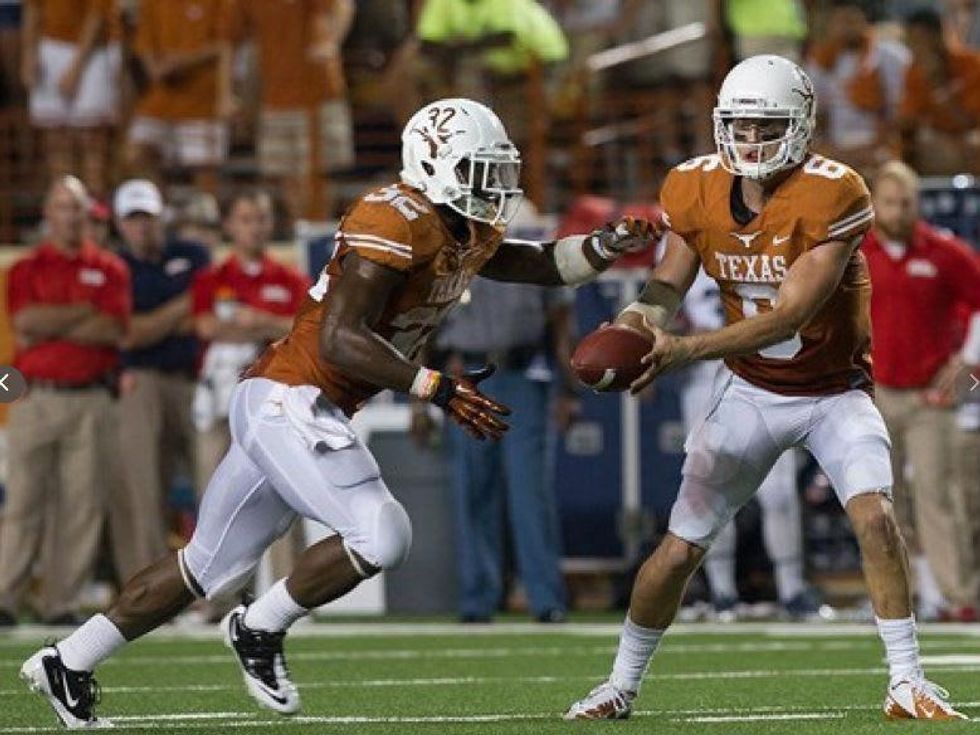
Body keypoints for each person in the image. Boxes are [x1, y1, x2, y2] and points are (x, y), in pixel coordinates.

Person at [19, 98, 656, 727]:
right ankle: (260, 627)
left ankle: (69, 661)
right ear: (433, 165)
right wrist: (435, 386)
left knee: (205, 567)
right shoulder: (396, 217)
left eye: (498, 171)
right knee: (383, 534)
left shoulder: (465, 226)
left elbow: (537, 263)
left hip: (299, 403)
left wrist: (607, 244)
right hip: (290, 396)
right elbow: (339, 338)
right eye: (479, 171)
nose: (495, 187)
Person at [565, 56, 966, 721]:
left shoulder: (835, 193)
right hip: (750, 391)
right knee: (679, 548)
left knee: (876, 516)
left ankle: (905, 679)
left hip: (833, 391)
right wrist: (638, 321)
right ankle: (619, 683)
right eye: (740, 126)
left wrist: (683, 351)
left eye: (767, 126)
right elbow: (666, 285)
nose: (751, 141)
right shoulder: (692, 187)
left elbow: (789, 315)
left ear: (801, 124)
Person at [0, 176, 130, 627]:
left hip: (92, 397)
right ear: (48, 215)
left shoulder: (111, 268)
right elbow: (25, 323)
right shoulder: (24, 269)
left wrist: (52, 321)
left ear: (87, 214)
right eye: (61, 207)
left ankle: (61, 602)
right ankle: (5, 598)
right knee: (22, 502)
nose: (70, 216)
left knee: (82, 505)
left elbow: (112, 330)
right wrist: (84, 314)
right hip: (32, 394)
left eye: (77, 208)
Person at [861, 160, 980, 621]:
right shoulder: (856, 252)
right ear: (874, 203)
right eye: (889, 201)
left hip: (931, 395)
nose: (897, 210)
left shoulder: (944, 251)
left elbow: (978, 304)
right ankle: (895, 601)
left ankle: (959, 597)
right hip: (873, 394)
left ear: (917, 203)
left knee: (938, 495)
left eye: (905, 201)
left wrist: (966, 363)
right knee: (877, 502)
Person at [430, 278, 578, 623]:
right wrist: (420, 404)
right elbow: (426, 329)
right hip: (465, 375)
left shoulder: (532, 257)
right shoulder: (451, 261)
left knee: (530, 495)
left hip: (523, 373)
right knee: (472, 492)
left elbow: (561, 324)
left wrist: (569, 390)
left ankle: (545, 598)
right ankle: (477, 600)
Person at [678, 269, 823, 621]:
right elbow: (668, 304)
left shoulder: (768, 229)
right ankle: (722, 592)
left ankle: (791, 589)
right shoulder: (682, 235)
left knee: (779, 491)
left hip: (764, 369)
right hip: (705, 375)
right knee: (711, 489)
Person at [111, 179, 210, 583]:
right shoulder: (115, 268)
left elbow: (203, 318)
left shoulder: (193, 253)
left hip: (196, 380)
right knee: (144, 488)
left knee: (214, 483)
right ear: (120, 224)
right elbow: (130, 333)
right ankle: (149, 588)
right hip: (143, 382)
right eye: (133, 219)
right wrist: (182, 307)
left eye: (148, 218)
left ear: (161, 219)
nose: (142, 227)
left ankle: (213, 585)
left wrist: (157, 321)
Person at [226, 0, 356, 222]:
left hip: (319, 91)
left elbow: (343, 5)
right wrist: (233, 92)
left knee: (321, 172)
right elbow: (233, 36)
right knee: (286, 174)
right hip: (274, 93)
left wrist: (332, 41)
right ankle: (303, 230)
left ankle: (319, 230)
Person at [126, 0, 233, 192]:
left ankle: (206, 218)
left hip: (202, 102)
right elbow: (143, 44)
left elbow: (226, 43)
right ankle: (156, 209)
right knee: (135, 153)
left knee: (205, 173)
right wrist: (155, 68)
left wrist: (183, 62)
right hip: (160, 99)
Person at [21, 0, 122, 196]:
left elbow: (99, 13)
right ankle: (64, 208)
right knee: (56, 141)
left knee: (92, 140)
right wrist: (28, 52)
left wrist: (76, 67)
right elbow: (33, 7)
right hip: (50, 47)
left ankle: (96, 212)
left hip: (94, 52)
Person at [805, 0, 909, 176]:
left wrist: (876, 145)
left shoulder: (890, 56)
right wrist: (831, 148)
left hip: (878, 144)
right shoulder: (819, 62)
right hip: (836, 147)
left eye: (851, 21)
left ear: (865, 22)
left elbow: (901, 113)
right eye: (840, 21)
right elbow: (816, 118)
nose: (846, 28)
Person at [899, 7, 980, 174]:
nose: (917, 47)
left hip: (968, 137)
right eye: (912, 41)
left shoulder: (970, 64)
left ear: (938, 36)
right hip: (935, 140)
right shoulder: (913, 72)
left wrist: (938, 84)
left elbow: (969, 123)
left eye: (921, 39)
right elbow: (908, 123)